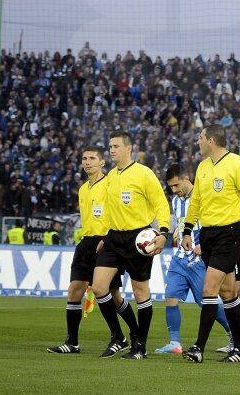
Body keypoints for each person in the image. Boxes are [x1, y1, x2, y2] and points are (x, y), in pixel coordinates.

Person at [179, 125, 240, 364]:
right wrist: (187, 230)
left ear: (212, 141)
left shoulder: (237, 164)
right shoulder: (203, 167)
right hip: (208, 234)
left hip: (230, 233)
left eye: (200, 138)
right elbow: (195, 201)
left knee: (209, 288)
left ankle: (198, 347)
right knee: (228, 293)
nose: (198, 141)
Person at [89, 131, 170, 360]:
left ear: (128, 148)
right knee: (99, 287)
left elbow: (161, 205)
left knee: (140, 292)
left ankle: (140, 346)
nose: (111, 150)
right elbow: (112, 210)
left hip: (139, 238)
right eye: (110, 146)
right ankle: (119, 337)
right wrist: (106, 234)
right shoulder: (111, 177)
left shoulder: (144, 174)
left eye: (115, 146)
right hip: (114, 238)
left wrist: (163, 232)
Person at [47, 145, 134, 355]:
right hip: (86, 243)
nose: (87, 162)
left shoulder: (110, 185)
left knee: (113, 295)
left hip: (106, 243)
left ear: (102, 162)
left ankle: (127, 335)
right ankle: (72, 343)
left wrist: (109, 237)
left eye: (92, 158)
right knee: (74, 289)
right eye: (84, 158)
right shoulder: (83, 189)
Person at [154, 165, 233, 355]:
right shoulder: (175, 201)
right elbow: (182, 226)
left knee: (206, 301)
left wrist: (204, 246)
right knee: (171, 296)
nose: (174, 190)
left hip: (199, 259)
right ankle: (175, 343)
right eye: (171, 187)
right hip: (180, 258)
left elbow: (214, 226)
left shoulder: (204, 197)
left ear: (186, 177)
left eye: (176, 185)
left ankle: (234, 334)